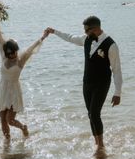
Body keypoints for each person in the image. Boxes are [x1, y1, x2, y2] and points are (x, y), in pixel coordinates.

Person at [45, 15, 122, 150]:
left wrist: (117, 93)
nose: (85, 33)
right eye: (85, 30)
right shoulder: (86, 40)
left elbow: (116, 70)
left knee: (94, 112)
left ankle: (101, 145)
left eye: (87, 30)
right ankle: (97, 142)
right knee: (90, 114)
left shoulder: (111, 45)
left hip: (102, 83)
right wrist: (54, 31)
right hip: (87, 83)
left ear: (96, 28)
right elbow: (70, 37)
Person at [0, 19, 48, 139]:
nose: (13, 55)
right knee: (2, 119)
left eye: (14, 52)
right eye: (10, 53)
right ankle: (7, 143)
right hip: (2, 89)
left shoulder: (20, 61)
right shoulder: (4, 57)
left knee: (10, 120)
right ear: (6, 53)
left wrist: (42, 38)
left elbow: (31, 49)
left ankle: (23, 127)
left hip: (13, 90)